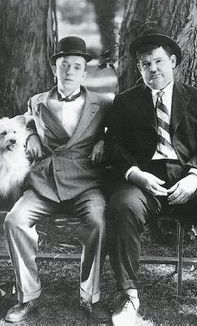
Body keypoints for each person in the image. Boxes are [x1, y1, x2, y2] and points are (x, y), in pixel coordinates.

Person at [105, 28, 197, 326]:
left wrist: (194, 177)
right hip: (145, 185)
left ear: (173, 61)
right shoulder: (126, 102)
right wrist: (135, 174)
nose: (153, 69)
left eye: (158, 62)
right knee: (122, 207)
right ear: (139, 68)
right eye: (145, 64)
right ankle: (129, 298)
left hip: (190, 181)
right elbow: (115, 145)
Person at [4, 36, 112, 323]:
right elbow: (24, 120)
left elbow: (117, 131)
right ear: (55, 68)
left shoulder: (102, 103)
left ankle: (90, 296)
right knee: (14, 221)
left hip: (86, 182)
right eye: (64, 65)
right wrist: (29, 134)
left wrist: (105, 142)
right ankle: (28, 296)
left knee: (98, 221)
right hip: (45, 182)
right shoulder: (37, 101)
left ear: (84, 72)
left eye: (76, 66)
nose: (69, 71)